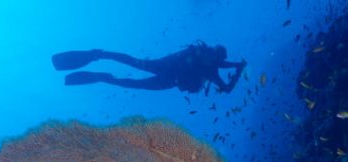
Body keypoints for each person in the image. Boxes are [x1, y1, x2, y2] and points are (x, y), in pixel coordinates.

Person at [52, 42, 246, 94]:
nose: (212, 56)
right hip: (167, 71)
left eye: (215, 56)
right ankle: (100, 56)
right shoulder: (210, 68)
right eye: (212, 53)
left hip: (168, 75)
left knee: (135, 77)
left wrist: (238, 68)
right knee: (134, 66)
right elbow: (227, 88)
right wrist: (238, 70)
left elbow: (226, 87)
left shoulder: (211, 69)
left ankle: (102, 69)